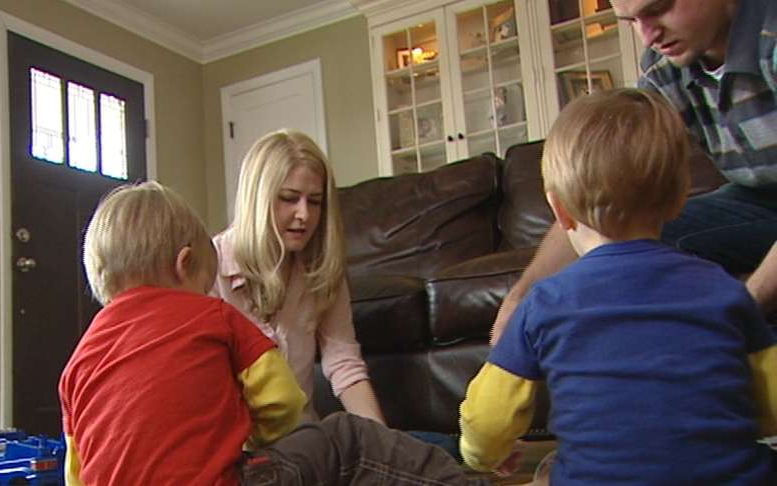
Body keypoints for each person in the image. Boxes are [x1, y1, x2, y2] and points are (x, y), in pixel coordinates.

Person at [59, 181, 492, 485]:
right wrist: (264, 445)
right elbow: (282, 401)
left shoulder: (77, 363)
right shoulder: (212, 314)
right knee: (346, 438)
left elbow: (78, 471)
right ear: (184, 264)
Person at [459, 88, 777, 484]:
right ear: (679, 200)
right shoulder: (723, 288)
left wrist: (483, 456)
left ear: (559, 210)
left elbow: (488, 418)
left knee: (547, 473)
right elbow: (768, 401)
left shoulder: (545, 301)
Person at [492, 0, 777, 344]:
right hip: (754, 198)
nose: (647, 36)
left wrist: (744, 312)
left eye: (658, 9)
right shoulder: (664, 68)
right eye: (632, 21)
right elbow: (602, 190)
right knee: (625, 234)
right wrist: (522, 297)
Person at [212, 129, 385, 424]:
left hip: (303, 439)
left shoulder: (322, 268)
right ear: (258, 198)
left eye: (315, 202)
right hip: (238, 449)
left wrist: (384, 443)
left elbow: (344, 363)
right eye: (289, 198)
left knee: (422, 451)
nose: (304, 214)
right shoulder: (210, 268)